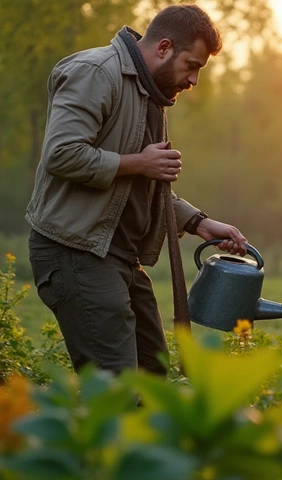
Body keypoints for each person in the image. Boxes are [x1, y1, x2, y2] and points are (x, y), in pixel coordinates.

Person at [25, 4, 247, 377]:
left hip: (119, 256)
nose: (194, 81)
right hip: (76, 251)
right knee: (118, 388)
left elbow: (136, 184)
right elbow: (61, 154)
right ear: (163, 48)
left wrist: (198, 223)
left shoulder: (149, 94)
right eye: (192, 66)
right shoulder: (95, 72)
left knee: (153, 378)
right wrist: (139, 163)